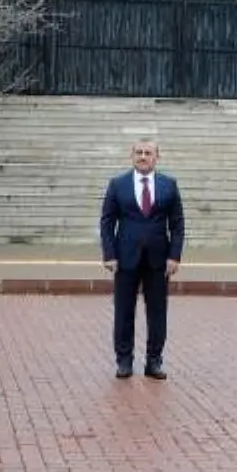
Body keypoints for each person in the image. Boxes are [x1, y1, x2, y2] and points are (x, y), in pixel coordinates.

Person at [99, 139, 185, 380]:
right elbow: (107, 222)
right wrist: (109, 254)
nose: (143, 156)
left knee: (157, 312)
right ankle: (124, 361)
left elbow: (177, 224)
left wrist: (174, 256)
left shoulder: (169, 185)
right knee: (124, 312)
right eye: (139, 152)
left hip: (159, 260)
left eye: (148, 153)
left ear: (157, 156)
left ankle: (154, 362)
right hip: (125, 259)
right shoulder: (118, 184)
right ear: (131, 155)